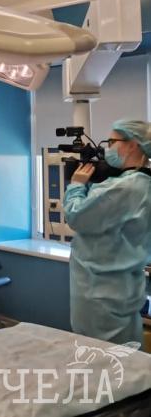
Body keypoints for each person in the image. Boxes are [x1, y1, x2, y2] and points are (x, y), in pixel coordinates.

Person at [64, 119, 151, 348]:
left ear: (132, 145)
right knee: (126, 357)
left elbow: (77, 216)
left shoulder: (125, 188)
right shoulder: (141, 184)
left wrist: (76, 185)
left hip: (100, 294)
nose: (108, 148)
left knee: (98, 358)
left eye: (112, 142)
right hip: (125, 290)